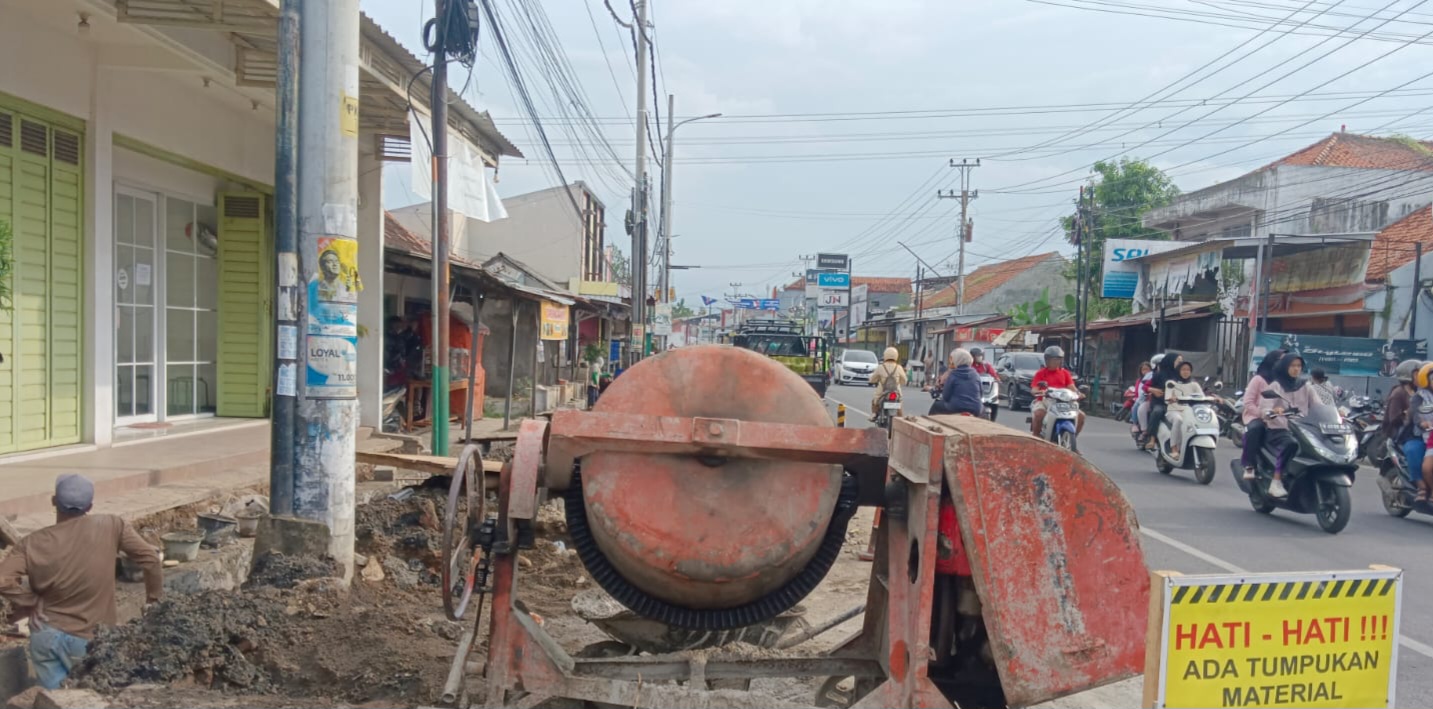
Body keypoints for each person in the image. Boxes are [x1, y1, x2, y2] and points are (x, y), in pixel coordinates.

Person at [0, 475, 163, 689]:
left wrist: (30, 600)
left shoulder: (31, 543)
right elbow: (151, 559)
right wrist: (153, 602)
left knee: (55, 699)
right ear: (89, 506)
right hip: (92, 641)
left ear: (53, 501)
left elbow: (2, 580)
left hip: (45, 634)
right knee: (95, 696)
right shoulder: (112, 525)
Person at [1261, 352, 1335, 498]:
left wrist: (1334, 413)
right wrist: (1273, 411)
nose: (1296, 369)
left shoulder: (1306, 386)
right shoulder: (1276, 386)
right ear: (1284, 367)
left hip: (1304, 428)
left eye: (1299, 366)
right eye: (1292, 366)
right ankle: (1276, 481)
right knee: (1291, 444)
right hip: (1280, 429)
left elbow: (1318, 405)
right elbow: (1264, 408)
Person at [1238, 349, 1285, 480]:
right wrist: (1262, 414)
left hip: (1280, 417)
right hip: (1257, 417)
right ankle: (1249, 465)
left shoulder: (1285, 381)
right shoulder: (1258, 379)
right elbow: (1248, 402)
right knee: (1255, 429)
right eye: (1280, 360)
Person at [1382, 359, 1423, 488]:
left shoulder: (1419, 392)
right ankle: (1419, 485)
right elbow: (1393, 418)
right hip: (1402, 434)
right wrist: (1407, 414)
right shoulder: (1398, 393)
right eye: (1417, 374)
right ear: (1408, 376)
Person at [1029, 346, 1084, 437]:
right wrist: (1038, 392)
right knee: (1039, 414)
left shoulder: (1065, 373)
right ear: (1047, 360)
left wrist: (1078, 393)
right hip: (1045, 400)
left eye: (1058, 359)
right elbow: (1034, 388)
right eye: (1053, 359)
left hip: (1064, 401)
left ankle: (1072, 438)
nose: (1056, 362)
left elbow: (1072, 387)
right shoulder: (1040, 373)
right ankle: (1036, 438)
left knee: (1081, 416)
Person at [1162, 361, 1205, 456]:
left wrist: (1214, 399)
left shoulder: (1194, 384)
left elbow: (1202, 397)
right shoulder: (1171, 383)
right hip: (1174, 411)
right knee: (1178, 420)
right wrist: (1172, 399)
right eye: (1183, 369)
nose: (1186, 372)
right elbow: (1167, 398)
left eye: (1188, 370)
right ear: (1178, 371)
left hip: (1189, 412)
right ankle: (1174, 448)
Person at [1144, 352, 1182, 450]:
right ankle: (1152, 439)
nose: (1181, 364)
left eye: (1181, 362)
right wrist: (1152, 390)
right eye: (1178, 362)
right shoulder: (1158, 375)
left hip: (1179, 404)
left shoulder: (1182, 375)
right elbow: (1145, 386)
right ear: (1170, 361)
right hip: (1161, 402)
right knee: (1157, 411)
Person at [930, 348, 983, 416]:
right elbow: (981, 394)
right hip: (976, 409)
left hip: (955, 407)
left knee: (936, 405)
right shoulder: (976, 374)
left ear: (957, 360)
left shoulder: (953, 374)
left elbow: (946, 396)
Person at [869, 347, 908, 416]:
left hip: (882, 391)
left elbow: (872, 379)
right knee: (899, 403)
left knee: (875, 401)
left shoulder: (881, 367)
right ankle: (900, 418)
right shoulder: (899, 367)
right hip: (896, 391)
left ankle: (874, 415)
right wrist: (898, 381)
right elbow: (904, 381)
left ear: (885, 355)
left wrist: (876, 380)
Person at [1134, 357, 1159, 441]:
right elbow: (1145, 387)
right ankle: (1143, 430)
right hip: (1151, 400)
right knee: (1141, 408)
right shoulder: (1152, 376)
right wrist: (1150, 390)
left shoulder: (1172, 376)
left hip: (1169, 402)